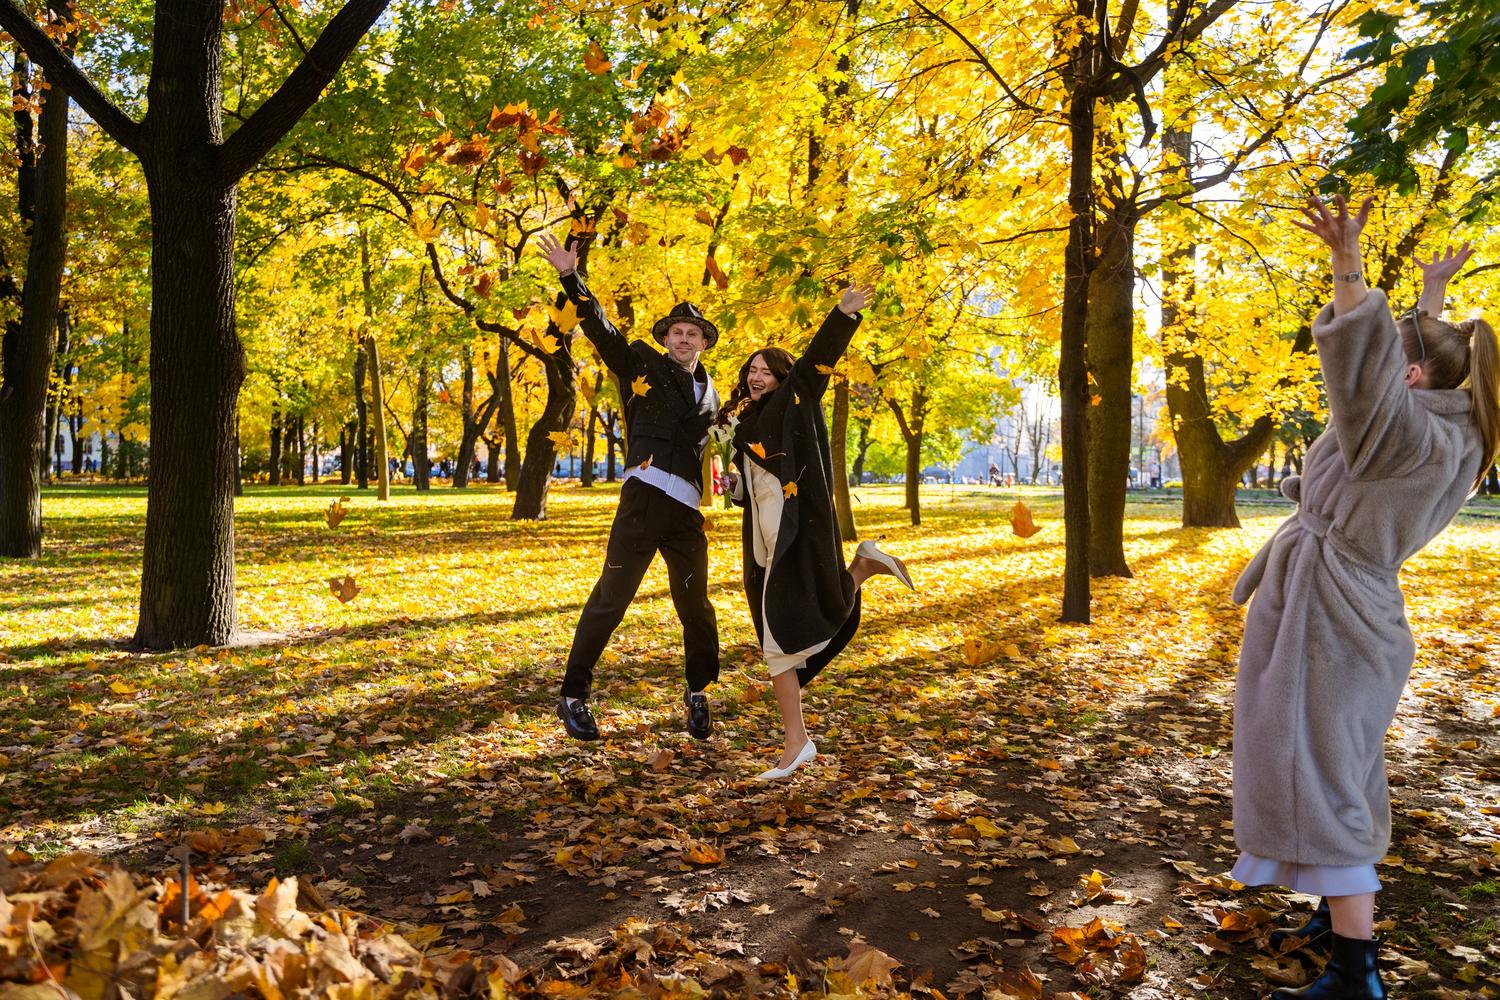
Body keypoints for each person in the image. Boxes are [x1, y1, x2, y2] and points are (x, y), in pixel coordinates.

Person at [1230, 195, 1498, 1000]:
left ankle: (1358, 972)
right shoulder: (1455, 427)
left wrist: (1348, 269)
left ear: (1406, 373)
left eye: (1396, 355)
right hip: (1344, 610)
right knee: (1332, 761)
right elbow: (1420, 368)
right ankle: (1332, 915)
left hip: (1330, 619)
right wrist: (1431, 301)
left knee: (1318, 774)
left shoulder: (1406, 433)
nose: (1384, 365)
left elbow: (1365, 376)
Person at [717, 283, 915, 781]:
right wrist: (735, 486)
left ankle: (796, 743)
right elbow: (756, 489)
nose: (756, 376)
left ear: (782, 377)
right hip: (763, 541)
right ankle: (863, 567)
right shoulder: (748, 422)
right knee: (778, 639)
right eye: (751, 370)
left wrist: (842, 316)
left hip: (793, 533)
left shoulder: (793, 402)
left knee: (776, 644)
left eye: (766, 370)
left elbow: (813, 367)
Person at [538, 232, 722, 743]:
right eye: (677, 332)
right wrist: (571, 280)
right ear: (666, 338)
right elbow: (602, 331)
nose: (684, 339)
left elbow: (712, 449)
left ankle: (698, 692)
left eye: (693, 333)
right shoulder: (640, 363)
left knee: (696, 606)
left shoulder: (714, 394)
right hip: (643, 498)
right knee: (611, 599)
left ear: (704, 341)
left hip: (686, 510)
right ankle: (574, 695)